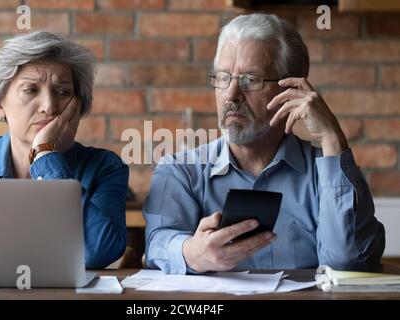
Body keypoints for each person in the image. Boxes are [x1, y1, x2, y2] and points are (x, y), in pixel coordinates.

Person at [143, 14, 385, 274]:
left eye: (250, 79)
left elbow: (348, 262)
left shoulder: (324, 173)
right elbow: (157, 243)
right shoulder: (181, 170)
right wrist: (190, 253)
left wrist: (332, 138)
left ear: (290, 90)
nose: (231, 95)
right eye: (224, 78)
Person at [0, 31, 128, 269]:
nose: (49, 106)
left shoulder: (105, 168)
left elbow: (97, 252)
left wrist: (46, 155)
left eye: (63, 92)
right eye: (31, 90)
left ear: (78, 106)